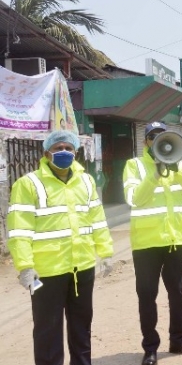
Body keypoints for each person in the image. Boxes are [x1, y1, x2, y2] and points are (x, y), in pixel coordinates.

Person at [8, 131, 114, 365]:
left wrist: (105, 253)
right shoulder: (28, 184)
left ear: (75, 152)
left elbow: (97, 219)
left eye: (68, 148)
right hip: (47, 271)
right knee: (48, 331)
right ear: (46, 153)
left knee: (82, 327)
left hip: (82, 267)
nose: (64, 152)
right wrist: (25, 266)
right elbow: (19, 230)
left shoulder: (86, 181)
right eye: (58, 148)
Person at [123, 122, 182, 365]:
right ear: (146, 141)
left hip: (175, 239)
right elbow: (134, 199)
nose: (157, 139)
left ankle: (178, 340)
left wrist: (176, 167)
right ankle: (150, 348)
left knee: (177, 293)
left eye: (162, 135)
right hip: (146, 242)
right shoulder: (134, 165)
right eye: (152, 136)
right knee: (147, 296)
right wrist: (156, 172)